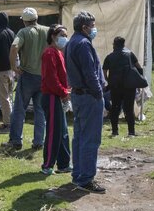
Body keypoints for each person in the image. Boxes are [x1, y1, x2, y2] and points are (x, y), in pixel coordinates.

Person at [65, 10, 106, 193]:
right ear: (84, 27)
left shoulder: (72, 42)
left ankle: (78, 174)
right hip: (89, 95)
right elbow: (90, 73)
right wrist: (99, 93)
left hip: (78, 95)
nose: (94, 29)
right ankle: (86, 179)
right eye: (92, 26)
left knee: (80, 136)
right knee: (91, 138)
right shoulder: (83, 43)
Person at [5, 7, 49, 151]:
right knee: (40, 110)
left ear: (24, 21)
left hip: (28, 75)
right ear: (37, 18)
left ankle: (16, 140)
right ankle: (38, 141)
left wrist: (14, 67)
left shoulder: (23, 32)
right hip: (44, 76)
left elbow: (14, 47)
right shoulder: (47, 30)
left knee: (19, 109)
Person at [40, 24, 72, 176]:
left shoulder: (58, 52)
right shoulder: (49, 53)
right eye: (62, 35)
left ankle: (64, 163)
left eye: (66, 35)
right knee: (54, 131)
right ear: (53, 36)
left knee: (63, 131)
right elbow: (51, 79)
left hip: (58, 95)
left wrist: (65, 91)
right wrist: (64, 92)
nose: (65, 38)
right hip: (52, 96)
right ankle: (47, 165)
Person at [103, 36, 145, 137]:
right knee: (129, 109)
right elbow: (138, 67)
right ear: (123, 44)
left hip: (115, 86)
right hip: (129, 86)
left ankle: (114, 132)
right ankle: (131, 132)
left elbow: (104, 71)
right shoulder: (130, 54)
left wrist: (108, 80)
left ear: (114, 45)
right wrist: (138, 80)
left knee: (115, 108)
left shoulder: (109, 56)